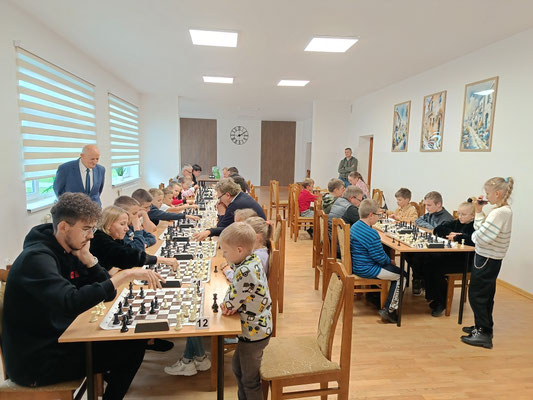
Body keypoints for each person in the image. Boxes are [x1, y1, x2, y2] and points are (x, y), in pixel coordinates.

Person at [2, 193, 163, 399]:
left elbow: (108, 294)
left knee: (133, 341)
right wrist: (125, 275)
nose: (91, 236)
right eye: (86, 229)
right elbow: (71, 301)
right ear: (63, 227)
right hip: (36, 360)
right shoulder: (36, 259)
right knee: (130, 348)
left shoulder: (70, 248)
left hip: (60, 339)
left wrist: (89, 259)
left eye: (93, 229)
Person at [220, 222, 272, 400]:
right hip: (251, 329)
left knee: (250, 380)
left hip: (254, 332)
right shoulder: (251, 260)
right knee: (237, 368)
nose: (223, 255)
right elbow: (233, 293)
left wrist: (228, 305)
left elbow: (229, 304)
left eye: (225, 251)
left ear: (239, 250)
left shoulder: (245, 271)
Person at [461, 177, 514, 349]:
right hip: (488, 257)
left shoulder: (499, 213)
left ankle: (483, 333)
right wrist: (478, 211)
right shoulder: (500, 211)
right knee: (485, 294)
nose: (486, 196)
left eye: (488, 193)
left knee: (477, 295)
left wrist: (473, 236)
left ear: (497, 193)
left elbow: (480, 236)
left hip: (487, 258)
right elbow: (481, 229)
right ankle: (483, 326)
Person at [350, 199, 402, 323]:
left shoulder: (355, 226)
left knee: (394, 270)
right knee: (402, 276)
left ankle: (374, 297)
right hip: (367, 268)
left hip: (357, 265)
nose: (379, 218)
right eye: (378, 215)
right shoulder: (371, 233)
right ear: (371, 215)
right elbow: (379, 258)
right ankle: (389, 310)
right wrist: (390, 261)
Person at [90, 205, 179, 272]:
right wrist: (162, 260)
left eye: (126, 224)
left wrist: (118, 265)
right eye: (122, 224)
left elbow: (131, 252)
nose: (127, 228)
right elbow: (129, 256)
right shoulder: (100, 239)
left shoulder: (115, 238)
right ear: (108, 225)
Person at [426, 201, 475, 317]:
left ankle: (442, 302)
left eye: (464, 214)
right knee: (428, 262)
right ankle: (434, 296)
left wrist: (457, 237)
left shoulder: (474, 227)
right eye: (459, 214)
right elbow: (438, 229)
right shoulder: (457, 223)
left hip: (465, 262)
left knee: (437, 269)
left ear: (473, 216)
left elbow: (472, 240)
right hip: (452, 257)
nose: (460, 217)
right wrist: (450, 233)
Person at [192, 178, 265, 241]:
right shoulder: (241, 196)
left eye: (219, 197)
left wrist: (221, 214)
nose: (220, 200)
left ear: (227, 195)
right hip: (259, 233)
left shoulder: (235, 204)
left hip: (256, 238)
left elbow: (223, 229)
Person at [410, 191, 454, 295]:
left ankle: (421, 279)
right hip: (429, 244)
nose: (426, 208)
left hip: (441, 249)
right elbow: (418, 220)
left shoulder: (447, 219)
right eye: (425, 205)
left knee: (418, 255)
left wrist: (433, 229)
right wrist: (431, 228)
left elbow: (441, 233)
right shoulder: (430, 214)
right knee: (409, 253)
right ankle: (419, 278)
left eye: (429, 205)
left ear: (438, 204)